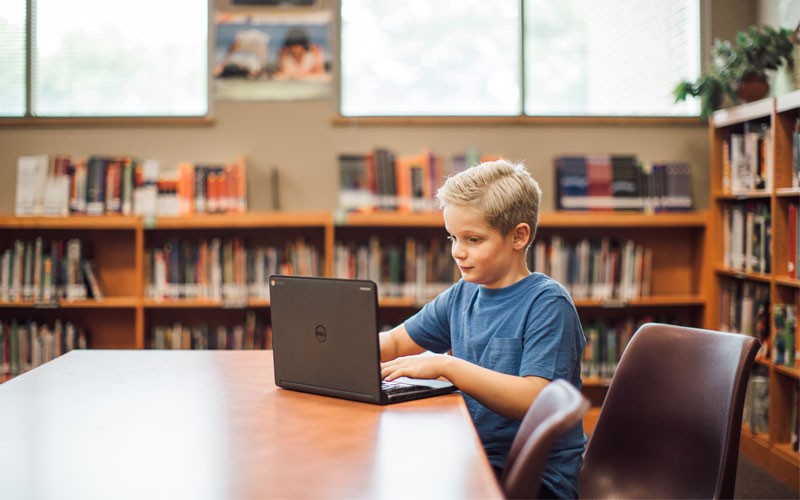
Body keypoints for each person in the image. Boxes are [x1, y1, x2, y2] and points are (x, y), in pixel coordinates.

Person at [379, 159, 586, 499]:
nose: (458, 252)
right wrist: (341, 349)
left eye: (473, 239)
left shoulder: (548, 303)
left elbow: (534, 398)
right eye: (453, 237)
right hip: (474, 452)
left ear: (519, 236)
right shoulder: (464, 292)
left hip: (534, 477)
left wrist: (448, 366)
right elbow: (398, 341)